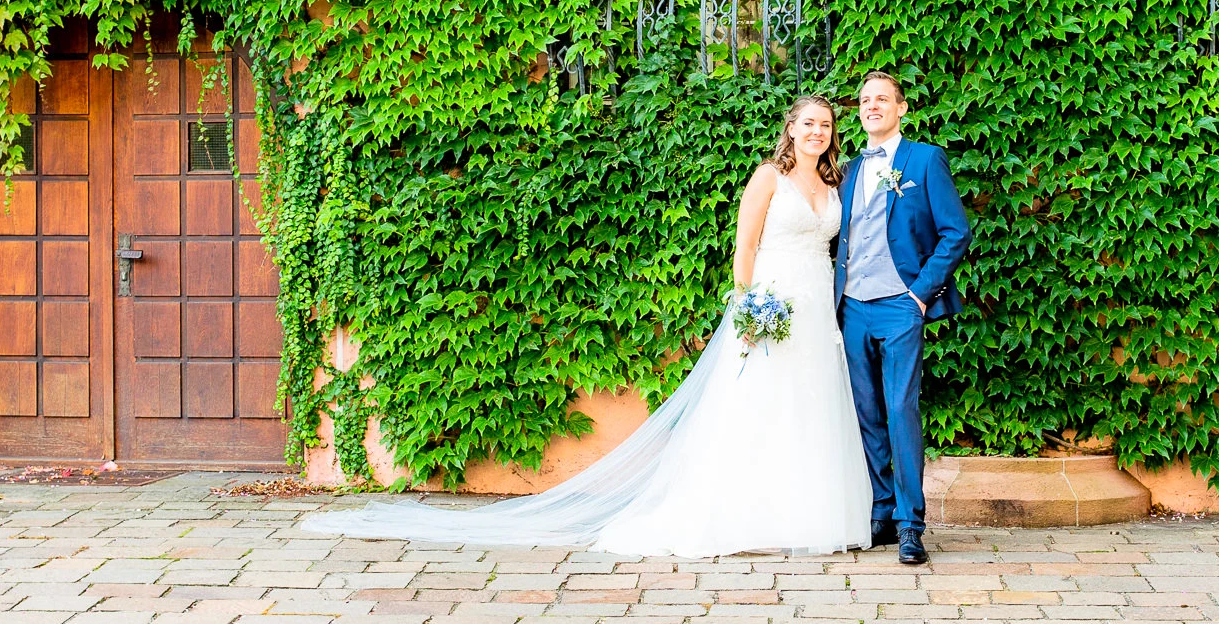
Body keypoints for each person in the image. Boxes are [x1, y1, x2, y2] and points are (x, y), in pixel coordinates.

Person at [304, 94, 875, 556]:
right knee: (758, 408)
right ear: (790, 128)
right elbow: (743, 247)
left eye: (825, 124)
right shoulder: (766, 177)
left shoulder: (833, 186)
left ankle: (804, 513)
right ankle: (749, 514)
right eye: (808, 123)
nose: (817, 132)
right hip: (771, 305)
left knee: (810, 405)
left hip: (816, 306)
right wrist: (747, 308)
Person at [834, 70, 973, 566]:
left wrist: (918, 295)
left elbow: (956, 232)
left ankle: (913, 524)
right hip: (851, 307)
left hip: (900, 306)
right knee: (866, 414)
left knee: (900, 410)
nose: (872, 106)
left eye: (882, 99)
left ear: (902, 108)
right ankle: (882, 511)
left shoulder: (924, 159)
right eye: (865, 100)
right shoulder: (849, 169)